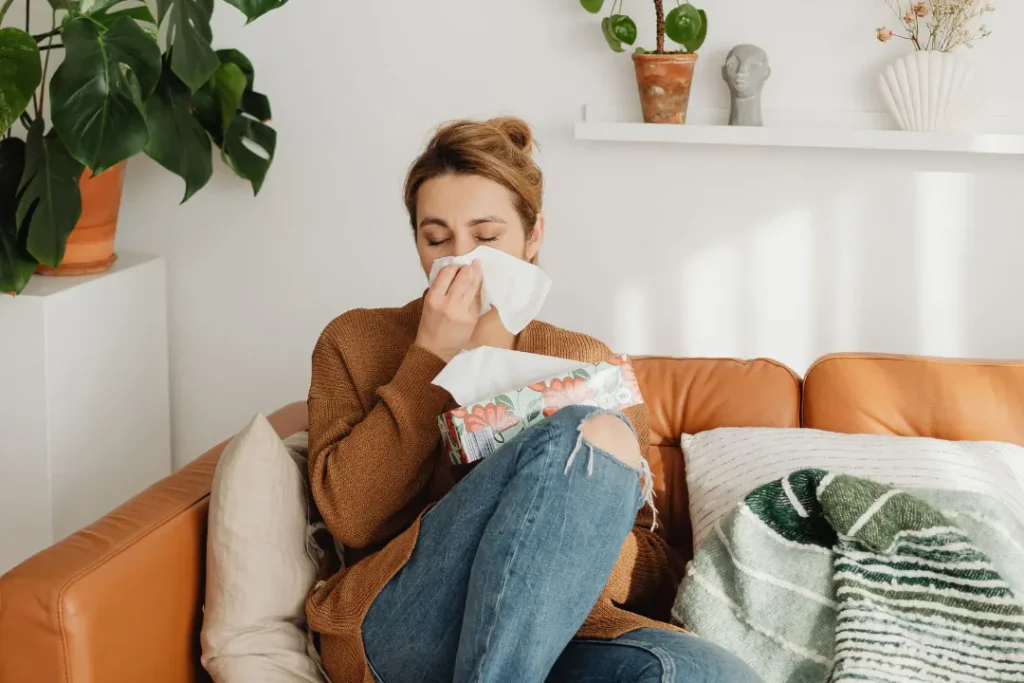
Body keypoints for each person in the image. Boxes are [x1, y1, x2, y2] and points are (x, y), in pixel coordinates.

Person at [305, 117, 763, 683]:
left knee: (709, 674)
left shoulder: (586, 363)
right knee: (584, 433)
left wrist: (561, 525)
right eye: (437, 238)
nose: (462, 258)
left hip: (560, 630)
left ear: (533, 236)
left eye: (487, 236)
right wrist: (430, 359)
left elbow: (650, 562)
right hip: (402, 625)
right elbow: (352, 518)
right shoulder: (354, 340)